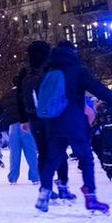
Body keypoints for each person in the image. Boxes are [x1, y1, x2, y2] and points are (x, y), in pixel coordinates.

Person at [35, 41, 112, 214]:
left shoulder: (50, 73)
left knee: (52, 159)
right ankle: (91, 197)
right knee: (86, 159)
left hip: (53, 123)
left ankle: (43, 196)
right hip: (74, 123)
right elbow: (99, 90)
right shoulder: (78, 71)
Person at [19, 41, 71, 201]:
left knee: (43, 153)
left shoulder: (27, 76)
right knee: (60, 152)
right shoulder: (51, 73)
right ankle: (62, 186)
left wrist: (25, 118)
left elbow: (21, 99)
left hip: (35, 119)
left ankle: (45, 187)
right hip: (53, 118)